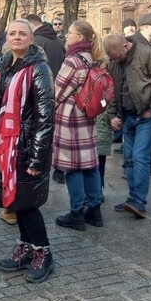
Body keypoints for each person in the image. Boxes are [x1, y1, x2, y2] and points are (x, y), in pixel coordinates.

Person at [0, 19, 56, 285]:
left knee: (27, 204)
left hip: (25, 147)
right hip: (6, 146)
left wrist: (37, 158)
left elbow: (45, 117)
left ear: (31, 39)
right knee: (15, 202)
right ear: (6, 37)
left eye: (23, 33)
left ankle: (43, 252)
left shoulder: (39, 69)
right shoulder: (3, 66)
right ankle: (25, 247)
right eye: (12, 33)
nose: (17, 37)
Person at [105, 13, 151, 218]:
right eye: (114, 59)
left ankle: (139, 202)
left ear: (125, 46)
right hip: (127, 115)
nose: (117, 61)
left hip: (146, 115)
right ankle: (132, 198)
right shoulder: (114, 61)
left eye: (119, 57)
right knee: (129, 158)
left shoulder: (148, 53)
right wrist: (113, 114)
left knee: (140, 156)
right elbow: (114, 88)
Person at [53, 20, 104, 231]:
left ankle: (76, 213)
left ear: (80, 38)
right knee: (89, 164)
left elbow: (57, 91)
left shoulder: (72, 60)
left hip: (70, 117)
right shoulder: (93, 58)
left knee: (71, 166)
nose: (66, 35)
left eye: (70, 32)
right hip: (87, 115)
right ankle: (94, 210)